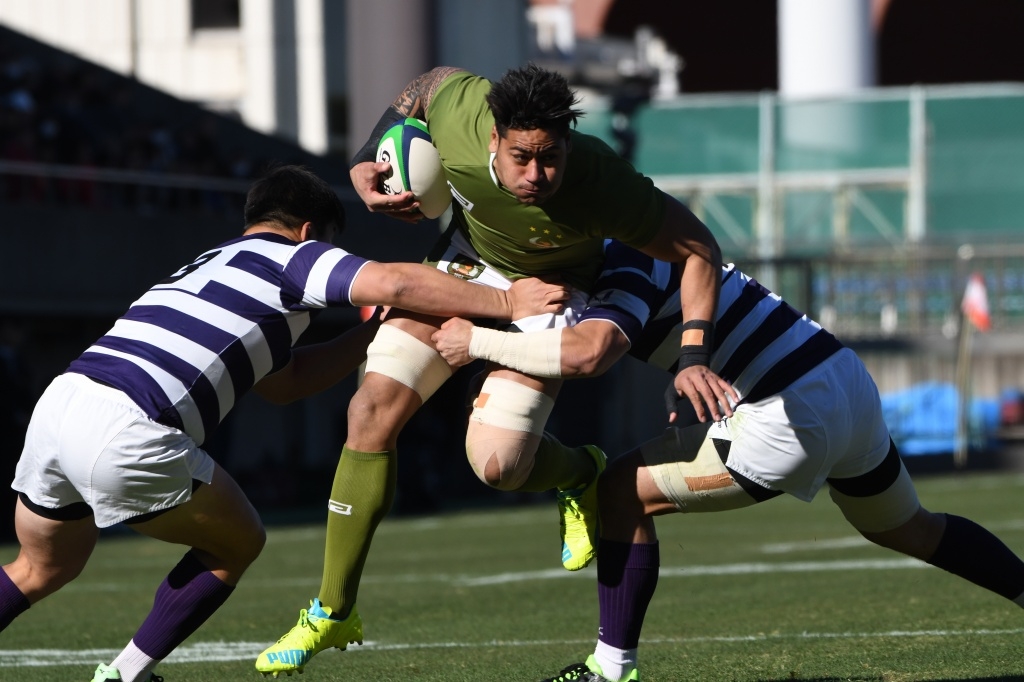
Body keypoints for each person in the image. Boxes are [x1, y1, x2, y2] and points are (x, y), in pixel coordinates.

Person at [0, 164, 567, 682]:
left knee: (39, 566)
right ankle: (126, 675)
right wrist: (508, 302)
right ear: (307, 230)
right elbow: (394, 283)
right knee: (238, 541)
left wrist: (375, 335)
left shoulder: (208, 265)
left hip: (61, 405)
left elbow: (286, 383)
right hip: (130, 424)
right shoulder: (293, 256)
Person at [257, 64, 730, 676]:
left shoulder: (606, 182)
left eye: (551, 158)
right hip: (465, 267)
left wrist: (694, 353)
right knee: (369, 411)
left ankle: (580, 471)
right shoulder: (461, 113)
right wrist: (367, 156)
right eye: (521, 157)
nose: (536, 175)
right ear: (491, 138)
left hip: (555, 296)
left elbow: (699, 249)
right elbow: (428, 85)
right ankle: (332, 608)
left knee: (499, 466)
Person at [437, 241, 1024, 682]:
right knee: (911, 528)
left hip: (789, 412)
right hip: (842, 378)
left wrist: (478, 342)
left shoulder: (624, 261)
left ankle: (611, 669)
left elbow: (592, 352)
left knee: (620, 491)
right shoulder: (651, 237)